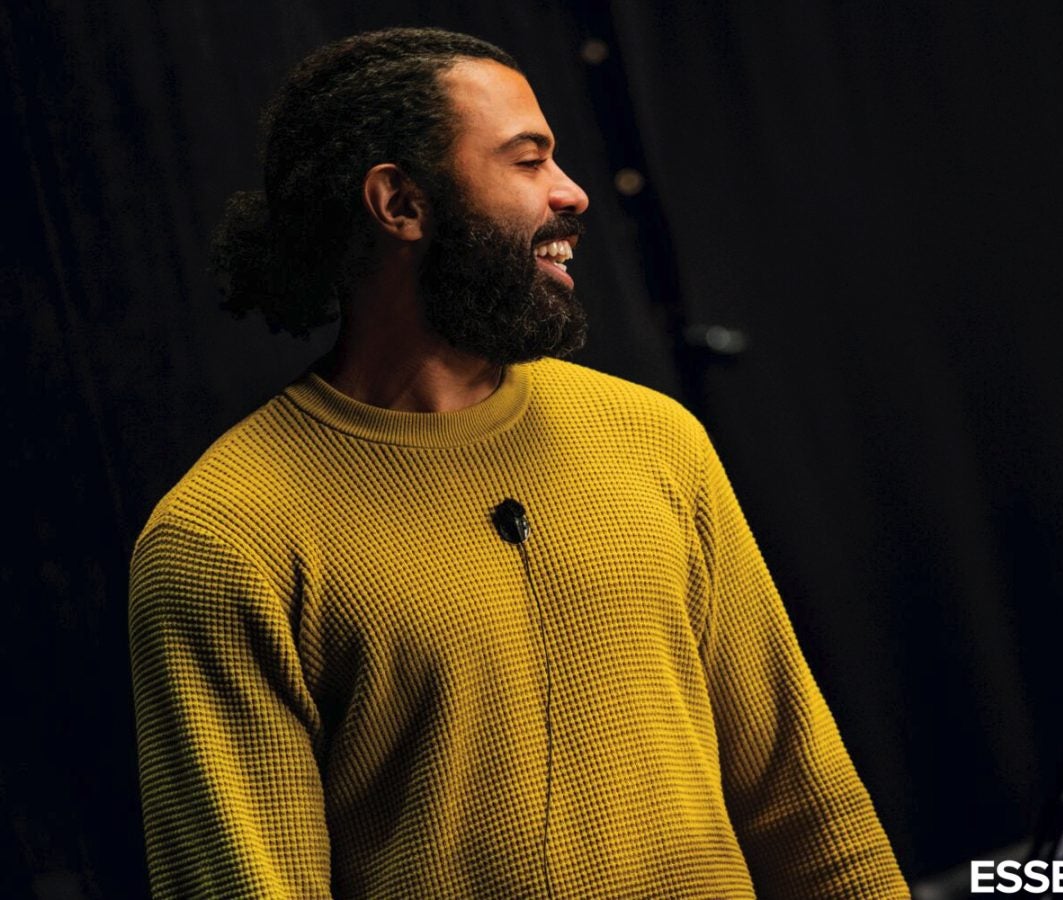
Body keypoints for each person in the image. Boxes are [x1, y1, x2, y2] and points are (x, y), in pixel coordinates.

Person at [129, 26, 908, 899]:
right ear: (401, 204)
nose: (572, 194)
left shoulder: (654, 436)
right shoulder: (222, 539)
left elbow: (801, 796)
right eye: (527, 161)